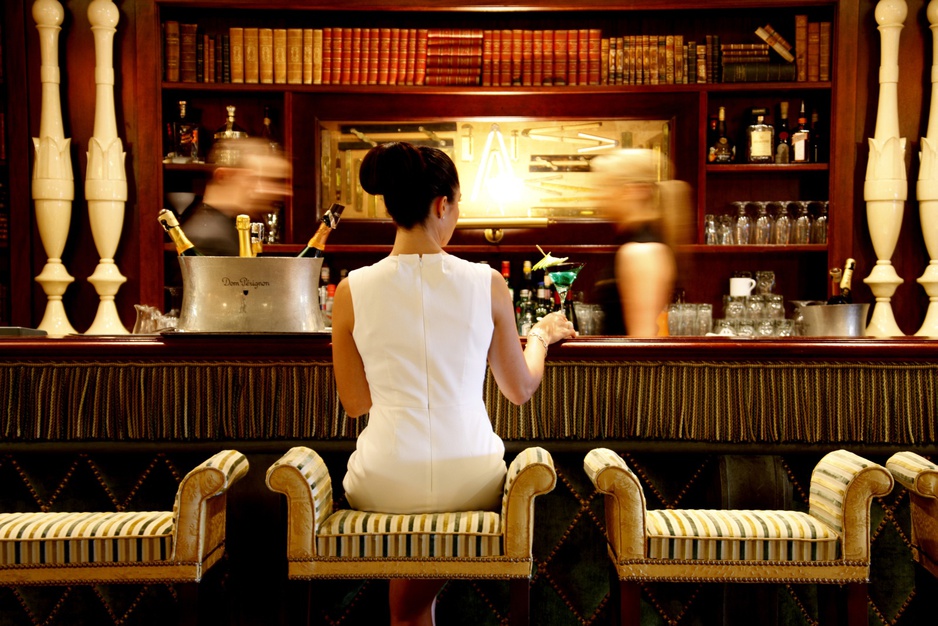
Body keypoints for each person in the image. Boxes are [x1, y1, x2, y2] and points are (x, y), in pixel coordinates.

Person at [331, 141, 576, 626]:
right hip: (471, 477)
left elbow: (356, 403)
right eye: (457, 204)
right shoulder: (486, 282)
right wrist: (543, 336)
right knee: (413, 598)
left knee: (408, 594)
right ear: (442, 204)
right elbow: (519, 388)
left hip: (382, 479)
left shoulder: (350, 290)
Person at [590, 148, 693, 336]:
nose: (597, 196)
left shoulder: (641, 252)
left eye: (604, 187)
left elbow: (642, 341)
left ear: (632, 191)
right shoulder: (634, 244)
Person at [180, 137, 291, 255]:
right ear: (223, 176)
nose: (284, 191)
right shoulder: (209, 239)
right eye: (267, 180)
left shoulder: (227, 228)